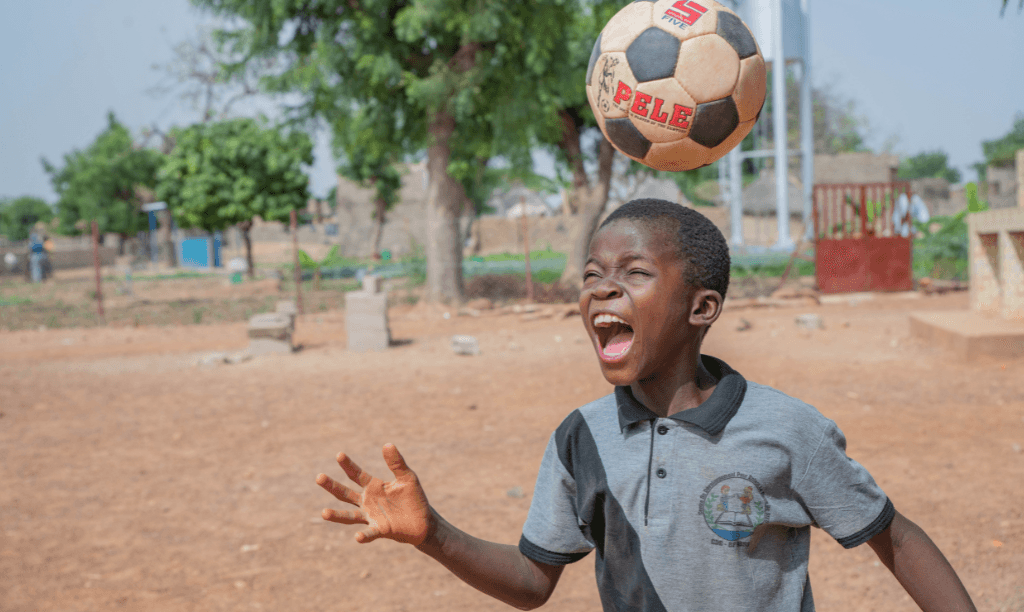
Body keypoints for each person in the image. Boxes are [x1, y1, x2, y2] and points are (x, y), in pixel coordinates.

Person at [315, 199, 976, 611]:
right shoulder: (582, 436)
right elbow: (530, 581)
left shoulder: (785, 428)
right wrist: (435, 535)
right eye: (592, 276)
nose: (602, 291)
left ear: (702, 307)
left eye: (633, 273)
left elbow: (896, 536)